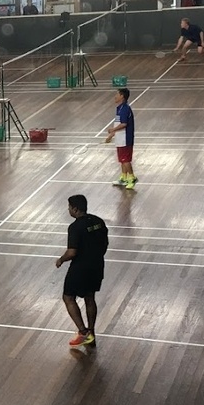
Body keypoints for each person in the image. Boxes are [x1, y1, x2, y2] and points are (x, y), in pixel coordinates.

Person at [54, 194, 109, 349]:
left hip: (80, 269)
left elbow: (72, 252)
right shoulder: (98, 221)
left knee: (68, 297)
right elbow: (105, 243)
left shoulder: (75, 227)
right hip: (97, 265)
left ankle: (83, 332)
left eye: (69, 207)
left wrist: (61, 259)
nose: (68, 210)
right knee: (90, 297)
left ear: (75, 209)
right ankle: (91, 333)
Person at [105, 87, 137, 191]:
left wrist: (112, 130)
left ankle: (132, 178)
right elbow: (119, 123)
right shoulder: (120, 108)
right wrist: (111, 135)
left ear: (122, 96)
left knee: (126, 160)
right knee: (122, 160)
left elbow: (124, 124)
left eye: (117, 94)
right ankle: (124, 178)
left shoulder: (125, 109)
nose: (115, 96)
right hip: (120, 138)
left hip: (125, 139)